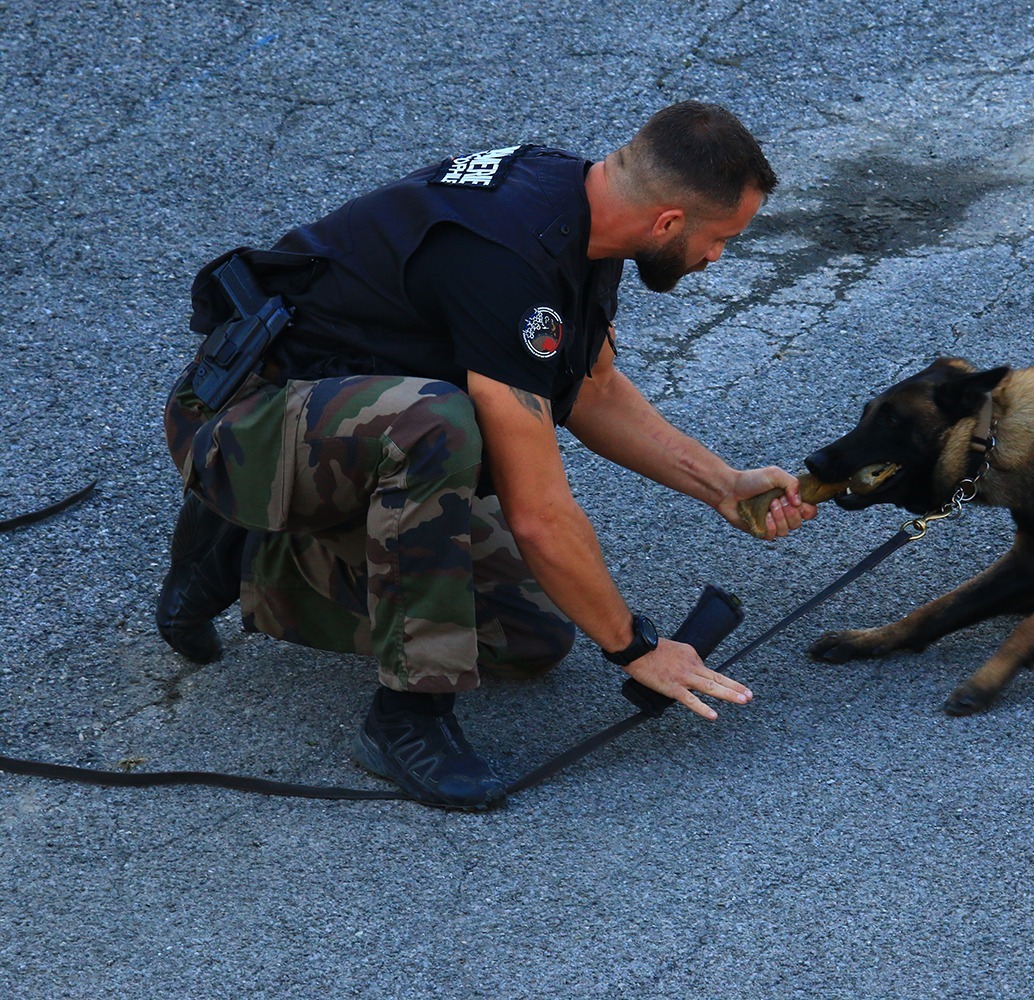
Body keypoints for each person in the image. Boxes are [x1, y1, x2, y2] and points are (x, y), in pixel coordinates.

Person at [156, 101, 817, 810]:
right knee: (439, 427)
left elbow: (592, 390)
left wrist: (723, 484)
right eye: (719, 239)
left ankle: (246, 555)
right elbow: (538, 513)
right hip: (238, 426)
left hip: (333, 428)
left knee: (527, 639)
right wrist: (637, 648)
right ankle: (408, 717)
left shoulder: (587, 212)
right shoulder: (506, 259)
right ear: (667, 224)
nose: (718, 258)